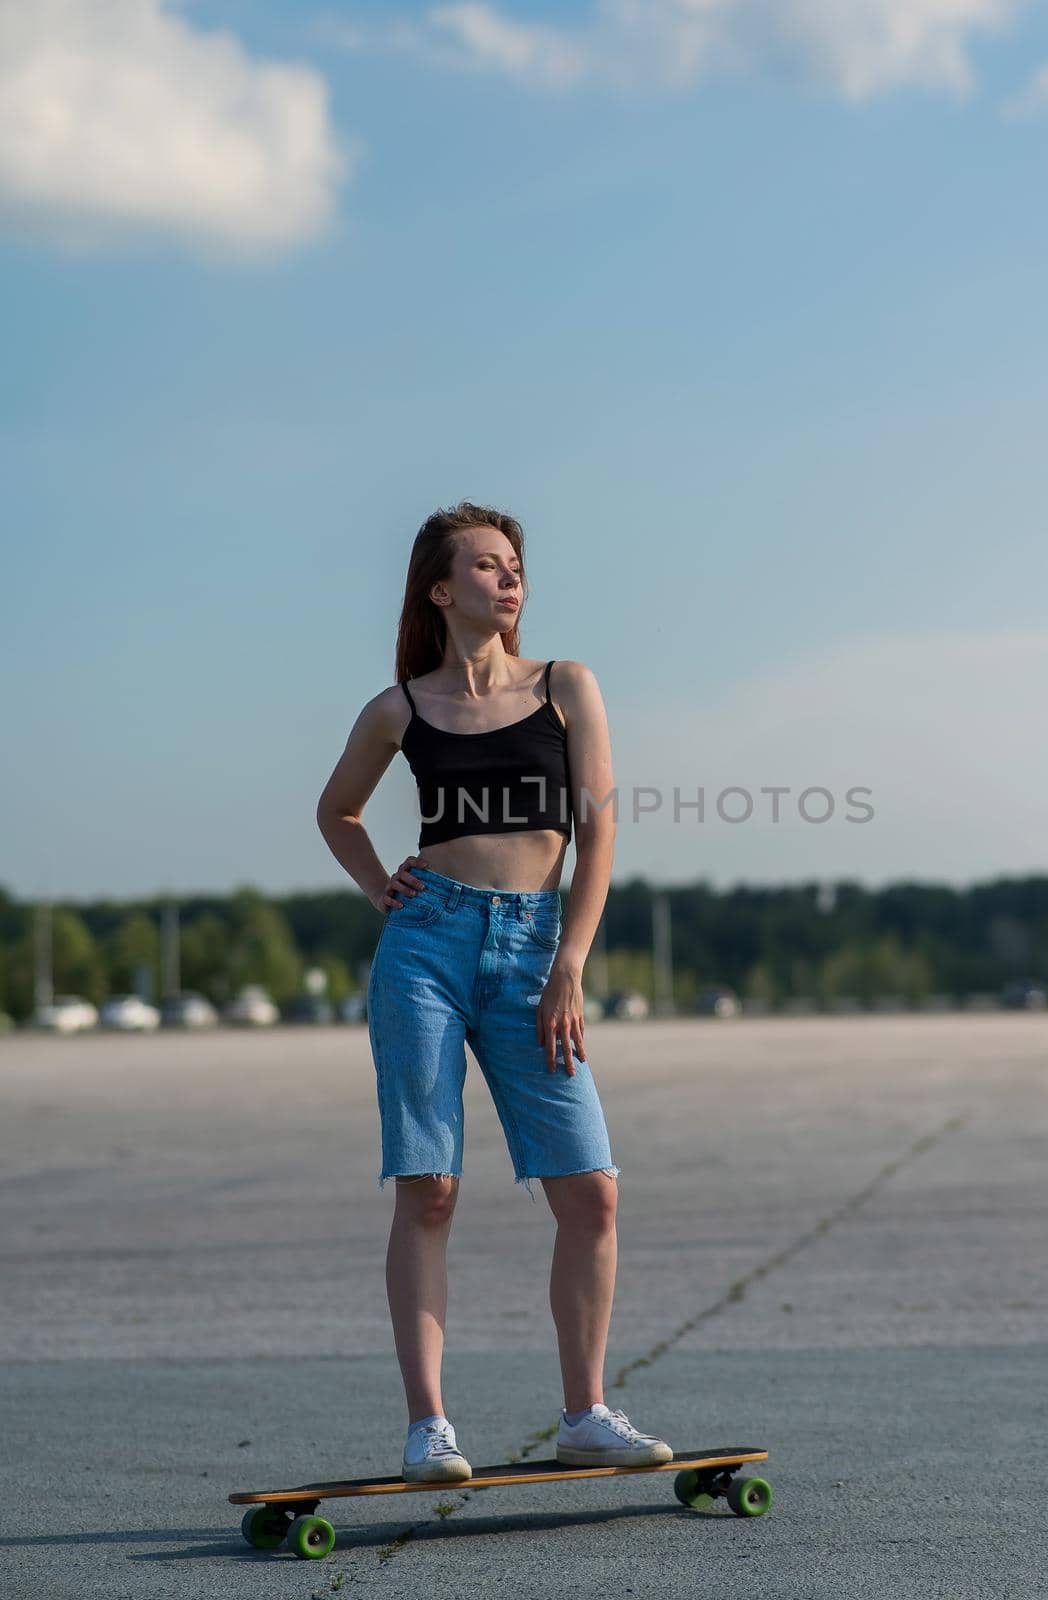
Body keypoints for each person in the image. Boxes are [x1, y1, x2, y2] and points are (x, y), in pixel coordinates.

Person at [316, 500, 672, 1484]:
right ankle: (429, 1426)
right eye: (484, 564)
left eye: (513, 564)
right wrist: (379, 885)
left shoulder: (566, 686)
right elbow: (335, 810)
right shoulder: (400, 707)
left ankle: (585, 1411)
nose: (507, 578)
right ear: (440, 587)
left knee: (591, 1194)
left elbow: (596, 833)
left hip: (532, 951)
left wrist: (570, 960)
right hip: (424, 947)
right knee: (428, 1190)